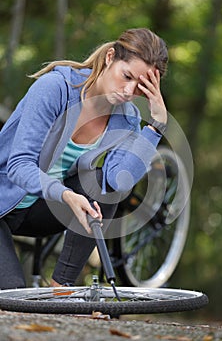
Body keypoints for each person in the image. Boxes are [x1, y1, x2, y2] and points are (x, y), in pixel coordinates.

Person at [0, 28, 168, 289]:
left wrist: (156, 126)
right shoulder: (55, 89)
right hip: (4, 203)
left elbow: (119, 183)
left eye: (140, 87)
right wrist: (66, 194)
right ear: (110, 57)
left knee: (103, 184)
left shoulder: (128, 118)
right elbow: (19, 166)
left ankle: (61, 289)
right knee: (14, 300)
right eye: (127, 76)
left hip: (41, 212)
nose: (128, 90)